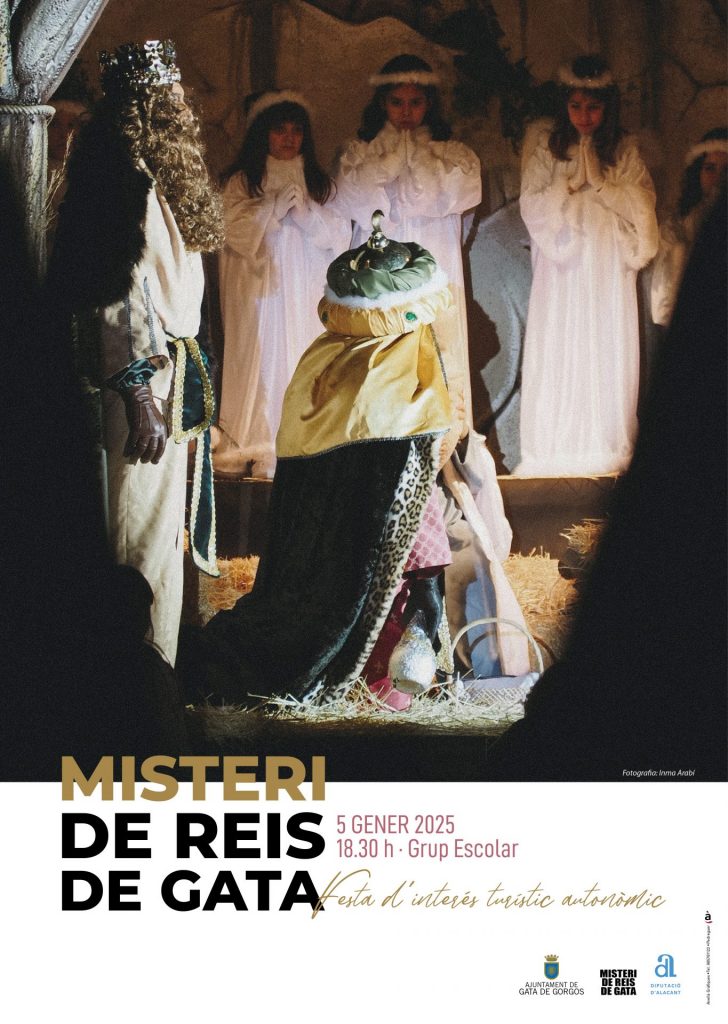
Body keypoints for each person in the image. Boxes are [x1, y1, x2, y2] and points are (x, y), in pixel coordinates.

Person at [179, 220, 466, 709]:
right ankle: (375, 690)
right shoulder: (402, 383)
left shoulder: (323, 363)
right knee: (388, 628)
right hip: (373, 574)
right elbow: (410, 504)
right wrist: (427, 578)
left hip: (315, 569)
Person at [48, 39, 223, 666]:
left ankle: (159, 673)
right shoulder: (118, 180)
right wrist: (139, 390)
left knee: (160, 534)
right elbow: (114, 293)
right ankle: (130, 678)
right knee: (134, 533)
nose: (179, 107)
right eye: (167, 97)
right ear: (142, 106)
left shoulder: (160, 176)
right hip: (140, 381)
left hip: (170, 375)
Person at [514, 55, 658, 477]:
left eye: (593, 108)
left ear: (607, 108)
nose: (584, 116)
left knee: (603, 340)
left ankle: (604, 438)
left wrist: (603, 186)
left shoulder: (623, 150)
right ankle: (554, 443)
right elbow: (531, 204)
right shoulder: (547, 147)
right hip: (563, 263)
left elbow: (643, 206)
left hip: (606, 264)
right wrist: (565, 187)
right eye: (576, 106)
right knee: (561, 340)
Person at [335, 54, 481, 423]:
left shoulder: (451, 153)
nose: (406, 112)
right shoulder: (362, 152)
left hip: (432, 251)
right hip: (381, 259)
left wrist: (422, 163)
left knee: (437, 337)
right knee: (384, 339)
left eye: (415, 102)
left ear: (428, 104)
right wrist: (388, 165)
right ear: (382, 103)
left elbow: (459, 199)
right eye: (396, 102)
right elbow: (353, 203)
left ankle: (441, 430)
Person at [215, 90, 350, 478]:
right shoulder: (243, 182)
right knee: (262, 358)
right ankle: (257, 441)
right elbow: (230, 229)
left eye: (296, 131)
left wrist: (307, 216)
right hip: (261, 291)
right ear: (263, 134)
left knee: (304, 353)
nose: (289, 139)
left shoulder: (320, 184)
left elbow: (340, 235)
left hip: (304, 288)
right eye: (279, 130)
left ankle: (305, 440)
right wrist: (269, 210)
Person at [651, 127, 727, 328]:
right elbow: (665, 292)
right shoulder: (679, 224)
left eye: (726, 170)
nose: (718, 178)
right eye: (710, 168)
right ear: (698, 172)